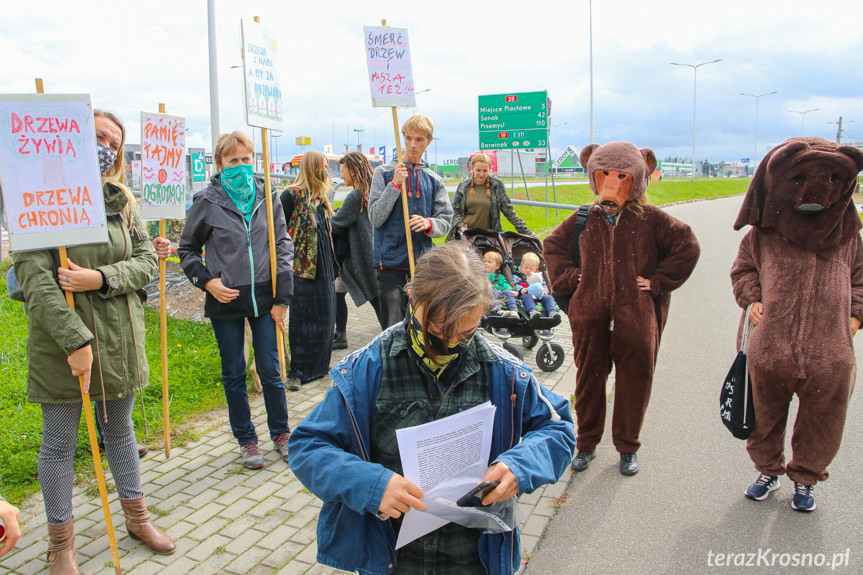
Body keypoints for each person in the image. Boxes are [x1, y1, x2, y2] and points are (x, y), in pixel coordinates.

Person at [288, 242, 576, 575]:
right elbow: (307, 446)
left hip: (475, 560)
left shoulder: (504, 372)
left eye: (466, 332)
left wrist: (520, 467)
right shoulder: (368, 368)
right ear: (414, 299)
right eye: (439, 330)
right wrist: (370, 484)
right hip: (393, 560)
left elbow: (559, 428)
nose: (451, 343)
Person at [11, 110, 175, 572]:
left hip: (120, 341)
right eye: (99, 136)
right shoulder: (36, 198)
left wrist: (99, 278)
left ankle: (137, 517)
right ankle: (61, 542)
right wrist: (75, 339)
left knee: (120, 432)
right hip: (64, 347)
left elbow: (145, 260)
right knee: (59, 443)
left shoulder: (120, 198)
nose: (107, 147)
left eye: (115, 143)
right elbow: (36, 281)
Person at [544, 142, 700, 477]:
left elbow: (687, 245)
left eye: (622, 175)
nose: (613, 182)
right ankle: (585, 444)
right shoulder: (584, 217)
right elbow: (553, 247)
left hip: (636, 318)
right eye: (605, 174)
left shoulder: (652, 219)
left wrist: (658, 282)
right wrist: (574, 278)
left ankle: (627, 447)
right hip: (590, 318)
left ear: (639, 176)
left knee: (635, 383)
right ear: (593, 175)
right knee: (589, 381)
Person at [730, 137, 863, 512]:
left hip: (830, 351)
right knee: (765, 415)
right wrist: (752, 297)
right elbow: (743, 270)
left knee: (822, 420)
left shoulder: (848, 236)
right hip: (771, 344)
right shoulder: (764, 233)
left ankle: (805, 478)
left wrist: (855, 314)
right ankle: (767, 471)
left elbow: (861, 278)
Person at [179, 131, 294, 470]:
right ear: (220, 164)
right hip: (225, 300)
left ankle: (282, 433)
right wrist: (207, 282)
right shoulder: (207, 201)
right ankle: (246, 440)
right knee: (233, 372)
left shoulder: (267, 194)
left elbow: (282, 245)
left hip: (265, 298)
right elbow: (186, 250)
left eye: (246, 159)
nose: (241, 166)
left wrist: (282, 297)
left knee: (271, 371)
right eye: (233, 161)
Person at [369, 114, 453, 329]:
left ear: (429, 141)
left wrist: (429, 224)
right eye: (408, 138)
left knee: (421, 325)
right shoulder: (384, 172)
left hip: (422, 263)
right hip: (389, 262)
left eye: (419, 139)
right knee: (393, 328)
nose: (413, 144)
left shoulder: (434, 179)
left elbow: (445, 221)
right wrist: (395, 185)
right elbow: (376, 218)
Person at [280, 150, 337, 386]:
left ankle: (321, 365)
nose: (326, 171)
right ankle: (299, 370)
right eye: (322, 166)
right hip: (301, 266)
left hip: (323, 263)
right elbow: (279, 231)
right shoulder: (290, 195)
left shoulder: (322, 197)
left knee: (326, 315)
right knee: (303, 317)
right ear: (312, 168)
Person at [331, 152, 381, 349]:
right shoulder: (370, 192)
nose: (341, 176)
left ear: (352, 171)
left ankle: (391, 332)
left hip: (360, 259)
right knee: (338, 291)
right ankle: (340, 335)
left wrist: (323, 218)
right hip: (369, 255)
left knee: (376, 299)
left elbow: (336, 223)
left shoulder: (355, 196)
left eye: (342, 171)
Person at [447, 153, 532, 241]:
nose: (481, 174)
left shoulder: (496, 185)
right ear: (472, 169)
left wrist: (525, 232)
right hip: (466, 236)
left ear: (490, 170)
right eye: (478, 170)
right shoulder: (463, 186)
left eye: (485, 171)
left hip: (490, 236)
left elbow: (508, 210)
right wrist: (462, 228)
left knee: (492, 255)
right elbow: (455, 213)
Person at [512, 252, 560, 321]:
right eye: (526, 268)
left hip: (539, 294)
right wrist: (522, 289)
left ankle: (552, 312)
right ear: (521, 265)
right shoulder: (517, 276)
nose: (528, 270)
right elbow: (515, 285)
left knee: (548, 297)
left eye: (531, 269)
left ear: (536, 269)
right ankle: (532, 312)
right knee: (527, 298)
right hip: (526, 295)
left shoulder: (538, 276)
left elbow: (543, 284)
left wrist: (545, 290)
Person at [483, 250, 519, 318]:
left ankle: (513, 309)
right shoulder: (480, 275)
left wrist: (510, 290)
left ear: (497, 266)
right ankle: (496, 309)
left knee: (508, 292)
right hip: (488, 294)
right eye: (484, 261)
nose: (486, 263)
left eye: (489, 262)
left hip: (499, 294)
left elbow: (504, 284)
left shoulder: (500, 276)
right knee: (491, 292)